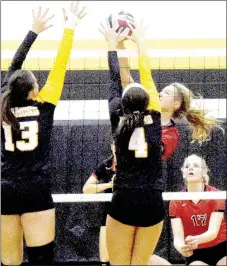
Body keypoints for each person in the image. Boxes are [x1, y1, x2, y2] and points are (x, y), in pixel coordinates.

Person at [1, 2, 87, 265]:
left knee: (9, 262)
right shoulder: (44, 105)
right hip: (35, 188)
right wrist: (70, 27)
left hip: (5, 190)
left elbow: (13, 65)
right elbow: (59, 65)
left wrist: (32, 31)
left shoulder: (4, 105)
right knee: (41, 259)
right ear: (34, 89)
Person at [98, 19, 165, 266]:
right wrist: (141, 43)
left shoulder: (118, 115)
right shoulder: (156, 115)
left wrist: (111, 45)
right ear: (148, 101)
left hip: (124, 197)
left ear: (123, 104)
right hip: (152, 200)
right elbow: (147, 76)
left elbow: (114, 78)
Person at [118, 21, 222, 159]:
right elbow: (125, 76)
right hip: (123, 171)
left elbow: (147, 155)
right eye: (162, 91)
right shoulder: (145, 104)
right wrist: (119, 44)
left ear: (176, 104)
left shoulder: (171, 134)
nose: (160, 94)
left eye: (166, 93)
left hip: (144, 177)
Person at [169, 154, 226, 266]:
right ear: (184, 174)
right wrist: (182, 248)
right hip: (197, 252)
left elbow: (213, 233)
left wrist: (196, 239)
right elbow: (178, 238)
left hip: (221, 247)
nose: (190, 168)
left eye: (195, 165)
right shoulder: (176, 200)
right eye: (187, 166)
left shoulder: (215, 195)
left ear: (204, 173)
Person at [83, 154, 115, 266]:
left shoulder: (135, 164)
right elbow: (86, 188)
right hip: (109, 214)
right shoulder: (107, 165)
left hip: (129, 214)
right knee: (105, 257)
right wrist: (109, 185)